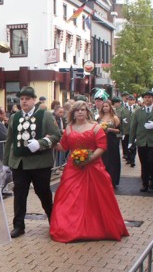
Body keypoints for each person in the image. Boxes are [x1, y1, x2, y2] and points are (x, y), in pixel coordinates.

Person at [50, 100, 128, 242]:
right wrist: (51, 142)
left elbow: (102, 146)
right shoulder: (69, 128)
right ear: (73, 113)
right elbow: (64, 146)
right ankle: (69, 226)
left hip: (94, 167)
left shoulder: (95, 127)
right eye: (77, 110)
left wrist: (89, 158)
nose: (80, 112)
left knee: (95, 197)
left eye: (83, 109)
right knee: (69, 196)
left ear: (87, 112)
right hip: (73, 168)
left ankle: (94, 226)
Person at [3, 86, 61, 238]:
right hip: (20, 162)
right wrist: (6, 162)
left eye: (27, 99)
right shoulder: (14, 117)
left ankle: (53, 220)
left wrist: (41, 143)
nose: (24, 101)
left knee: (43, 193)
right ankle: (18, 226)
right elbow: (9, 140)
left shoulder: (45, 115)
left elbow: (56, 135)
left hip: (39, 163)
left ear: (34, 100)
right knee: (19, 194)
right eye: (22, 99)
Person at [129, 90, 153, 192]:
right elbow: (133, 127)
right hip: (142, 141)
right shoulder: (138, 111)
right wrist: (131, 141)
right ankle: (145, 183)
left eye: (149, 97)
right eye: (145, 97)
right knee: (144, 163)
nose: (147, 99)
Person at [97, 100, 122, 188]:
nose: (105, 108)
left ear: (110, 107)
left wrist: (110, 129)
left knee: (112, 160)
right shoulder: (99, 118)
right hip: (102, 140)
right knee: (103, 159)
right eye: (104, 106)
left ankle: (112, 180)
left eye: (107, 106)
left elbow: (119, 130)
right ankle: (103, 180)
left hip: (112, 140)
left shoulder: (114, 118)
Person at [123, 94, 138, 166]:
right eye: (129, 100)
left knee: (133, 145)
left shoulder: (137, 109)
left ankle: (132, 160)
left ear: (134, 101)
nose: (130, 101)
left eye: (132, 100)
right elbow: (120, 118)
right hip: (126, 130)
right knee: (126, 145)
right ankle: (128, 158)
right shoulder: (123, 109)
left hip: (134, 131)